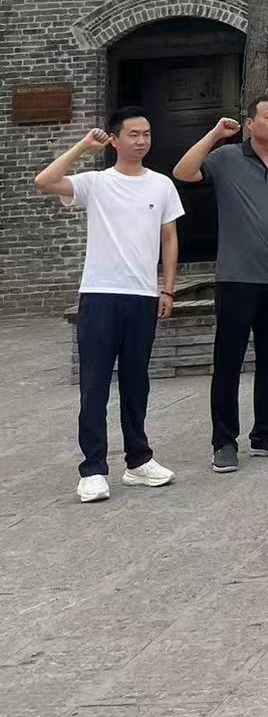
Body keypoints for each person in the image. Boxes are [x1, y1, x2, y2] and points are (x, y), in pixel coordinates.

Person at [35, 110, 183, 503]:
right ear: (114, 140)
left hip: (143, 296)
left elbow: (169, 238)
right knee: (94, 384)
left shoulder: (162, 185)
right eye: (133, 134)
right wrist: (84, 146)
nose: (141, 140)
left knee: (137, 382)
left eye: (146, 133)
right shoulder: (96, 183)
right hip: (100, 294)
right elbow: (44, 181)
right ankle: (93, 469)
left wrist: (167, 290)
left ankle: (138, 460)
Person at [173, 97, 268, 472]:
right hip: (236, 279)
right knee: (228, 362)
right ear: (250, 124)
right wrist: (215, 133)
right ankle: (224, 441)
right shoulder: (226, 158)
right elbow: (183, 171)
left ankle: (265, 434)